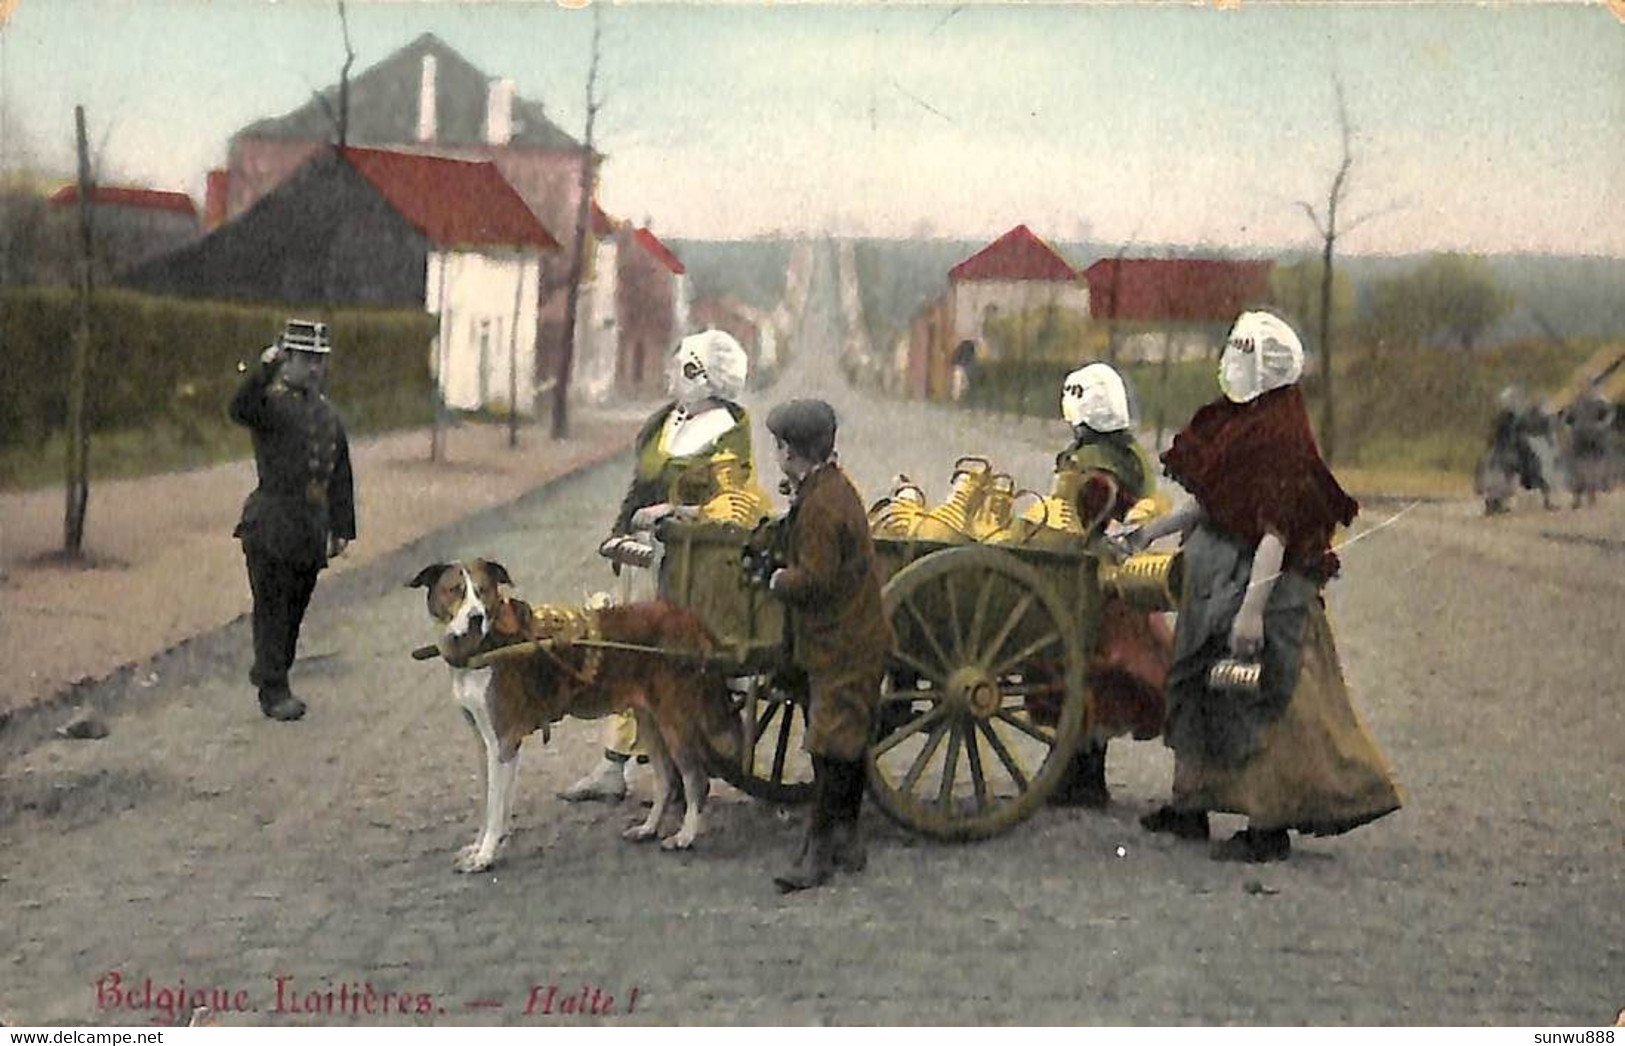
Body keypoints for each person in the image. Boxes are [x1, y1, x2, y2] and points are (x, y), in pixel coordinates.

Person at [1127, 310, 1402, 863]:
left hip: (1268, 590)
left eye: (1244, 355)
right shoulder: (1237, 421)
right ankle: (1191, 805)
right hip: (1216, 584)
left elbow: (1276, 530)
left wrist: (1252, 609)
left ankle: (1270, 822)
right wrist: (1152, 531)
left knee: (1266, 699)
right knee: (1204, 688)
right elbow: (1212, 500)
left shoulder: (1282, 435)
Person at [564, 329, 758, 802]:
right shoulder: (663, 423)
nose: (671, 374)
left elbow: (728, 499)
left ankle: (683, 760)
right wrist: (619, 531)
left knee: (653, 661)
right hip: (645, 557)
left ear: (703, 376)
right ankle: (615, 765)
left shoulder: (730, 429)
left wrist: (674, 513)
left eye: (681, 366)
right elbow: (640, 483)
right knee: (627, 653)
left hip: (696, 563)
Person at [765, 398, 893, 892]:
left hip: (843, 642)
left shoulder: (821, 505)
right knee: (848, 743)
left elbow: (814, 579)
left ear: (790, 451)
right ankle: (847, 837)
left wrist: (777, 579)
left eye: (778, 446)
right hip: (852, 635)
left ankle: (815, 853)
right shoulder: (828, 489)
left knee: (829, 745)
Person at [1033, 363, 1172, 807]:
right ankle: (1082, 772)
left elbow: (1075, 523)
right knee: (1099, 683)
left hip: (1090, 585)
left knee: (1087, 677)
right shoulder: (1129, 456)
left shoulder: (1091, 470)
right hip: (1116, 578)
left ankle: (1079, 775)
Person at [229, 319, 355, 722]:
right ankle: (273, 687)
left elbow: (341, 474)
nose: (314, 368)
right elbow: (239, 408)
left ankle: (270, 668)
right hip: (270, 523)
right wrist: (264, 369)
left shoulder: (328, 415)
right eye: (304, 358)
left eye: (319, 359)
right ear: (287, 360)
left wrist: (342, 528)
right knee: (273, 606)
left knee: (295, 608)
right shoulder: (269, 405)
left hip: (309, 528)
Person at [1561, 387, 1614, 508]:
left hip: (1594, 439)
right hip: (1580, 438)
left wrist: (1602, 425)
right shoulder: (1576, 402)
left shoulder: (1599, 401)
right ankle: (1579, 497)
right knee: (1578, 469)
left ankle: (1590, 495)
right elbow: (1565, 417)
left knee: (1593, 468)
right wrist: (1569, 429)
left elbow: (1609, 414)